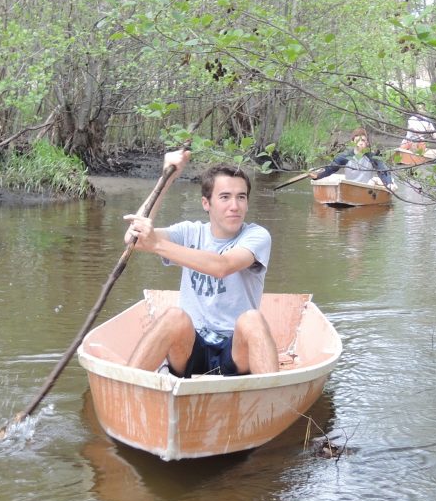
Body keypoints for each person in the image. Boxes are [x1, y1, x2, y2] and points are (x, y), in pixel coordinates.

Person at [122, 149, 278, 377]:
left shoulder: (257, 235)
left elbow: (222, 266)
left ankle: (271, 398)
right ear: (206, 203)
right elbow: (132, 240)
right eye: (225, 197)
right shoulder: (189, 232)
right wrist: (167, 179)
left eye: (241, 197)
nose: (234, 206)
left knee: (252, 319)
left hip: (235, 351)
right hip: (189, 349)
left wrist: (156, 244)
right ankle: (126, 386)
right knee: (174, 316)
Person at [310, 128, 398, 191]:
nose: (360, 143)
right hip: (349, 187)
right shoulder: (345, 156)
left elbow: (383, 170)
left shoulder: (372, 157)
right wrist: (317, 176)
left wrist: (388, 182)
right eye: (357, 140)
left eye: (363, 140)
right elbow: (331, 169)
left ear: (367, 142)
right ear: (352, 143)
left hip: (366, 188)